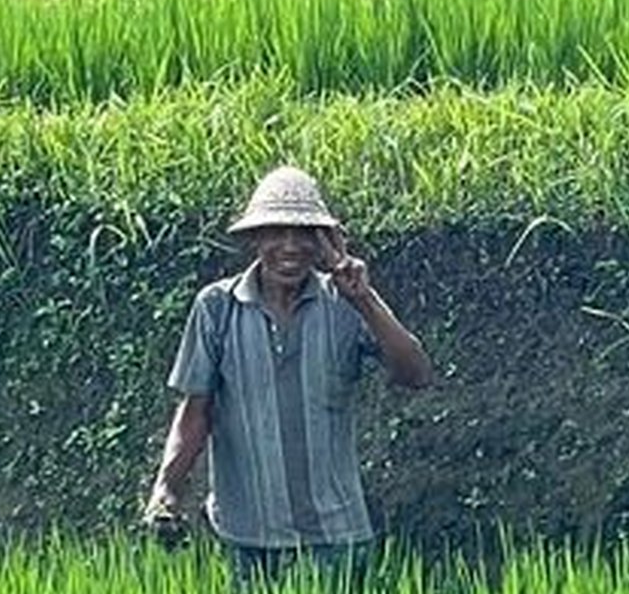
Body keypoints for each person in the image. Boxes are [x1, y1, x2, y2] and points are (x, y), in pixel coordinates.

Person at [142, 166, 433, 591]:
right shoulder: (217, 309)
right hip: (248, 538)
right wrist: (167, 489)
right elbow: (195, 411)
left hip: (337, 537)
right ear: (255, 239)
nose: (290, 246)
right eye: (277, 232)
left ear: (323, 242)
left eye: (304, 233)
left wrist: (364, 299)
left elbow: (417, 374)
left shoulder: (346, 303)